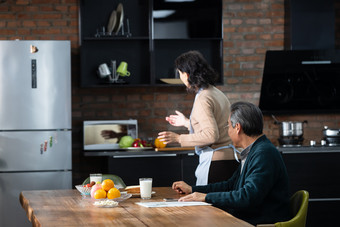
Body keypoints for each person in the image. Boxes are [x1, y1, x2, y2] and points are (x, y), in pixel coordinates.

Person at [172, 101, 290, 226]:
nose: (228, 131)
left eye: (228, 126)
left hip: (260, 223)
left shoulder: (264, 153)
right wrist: (193, 190)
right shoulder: (254, 150)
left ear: (237, 127)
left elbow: (247, 197)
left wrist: (206, 197)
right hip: (248, 219)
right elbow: (230, 185)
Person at [158, 50, 238, 185]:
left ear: (187, 74)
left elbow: (211, 135)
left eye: (180, 73)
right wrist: (186, 122)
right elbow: (217, 126)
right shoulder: (216, 92)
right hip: (229, 160)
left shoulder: (203, 97)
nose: (180, 77)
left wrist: (178, 138)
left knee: (209, 206)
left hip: (216, 164)